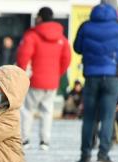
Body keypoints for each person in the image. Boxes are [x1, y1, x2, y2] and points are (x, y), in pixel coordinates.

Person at [73, 3, 118, 162]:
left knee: (89, 117)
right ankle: (103, 155)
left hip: (91, 76)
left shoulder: (86, 26)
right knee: (108, 117)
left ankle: (85, 155)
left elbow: (77, 47)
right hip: (112, 76)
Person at [17, 7, 71, 150]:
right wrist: (57, 73)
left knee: (28, 110)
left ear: (40, 18)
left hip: (34, 80)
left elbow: (23, 57)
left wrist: (22, 75)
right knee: (47, 111)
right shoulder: (62, 38)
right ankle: (44, 142)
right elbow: (67, 59)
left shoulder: (32, 36)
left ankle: (24, 139)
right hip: (52, 81)